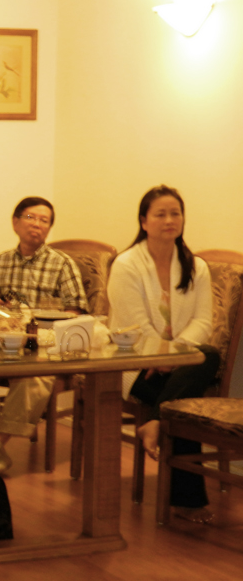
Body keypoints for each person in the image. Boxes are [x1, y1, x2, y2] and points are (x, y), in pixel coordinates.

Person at [108, 185, 219, 524]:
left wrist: (175, 357)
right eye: (161, 214)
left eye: (176, 213)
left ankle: (154, 421)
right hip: (135, 364)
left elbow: (203, 321)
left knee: (209, 355)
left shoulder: (196, 266)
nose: (170, 220)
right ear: (144, 221)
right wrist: (162, 359)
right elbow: (134, 326)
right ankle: (187, 500)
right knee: (183, 403)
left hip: (180, 364)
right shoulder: (126, 264)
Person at [0, 196, 88, 473]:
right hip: (5, 341)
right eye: (31, 217)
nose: (37, 224)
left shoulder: (62, 264)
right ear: (15, 222)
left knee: (33, 376)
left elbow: (76, 311)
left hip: (44, 345)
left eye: (44, 220)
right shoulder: (1, 262)